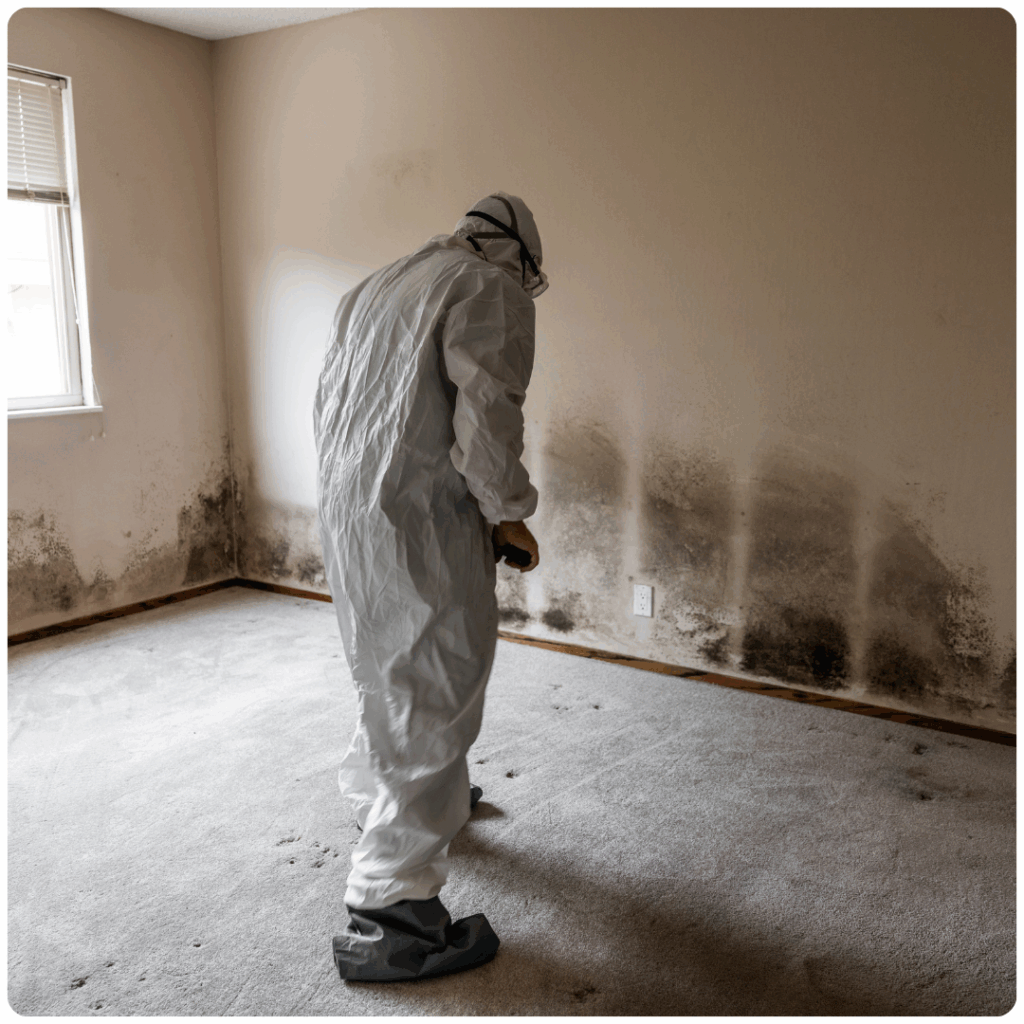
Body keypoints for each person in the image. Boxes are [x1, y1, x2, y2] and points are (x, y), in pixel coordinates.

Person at [313, 192, 547, 981]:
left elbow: (334, 404)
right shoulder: (489, 288)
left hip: (353, 509)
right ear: (517, 254)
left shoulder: (378, 284)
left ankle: (385, 794)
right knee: (440, 683)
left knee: (385, 667)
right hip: (421, 516)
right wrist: (508, 513)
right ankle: (392, 911)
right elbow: (488, 415)